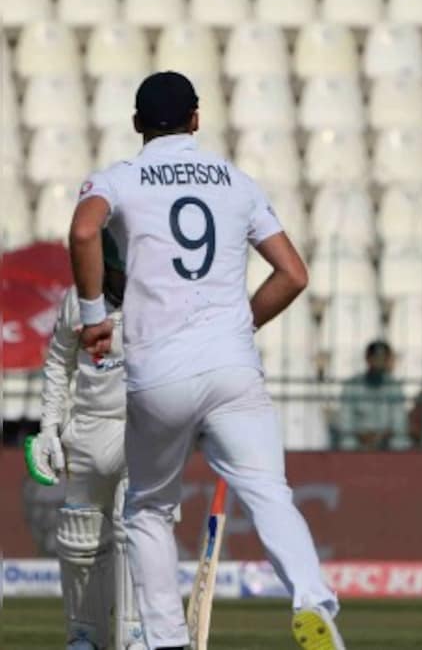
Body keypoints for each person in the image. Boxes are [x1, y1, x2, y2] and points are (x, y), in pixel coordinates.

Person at [68, 71, 344, 650]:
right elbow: (293, 274)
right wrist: (241, 323)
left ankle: (166, 639)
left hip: (159, 371)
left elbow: (84, 230)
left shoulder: (120, 178)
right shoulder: (237, 182)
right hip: (233, 365)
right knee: (270, 491)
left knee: (147, 507)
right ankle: (313, 601)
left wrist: (95, 315)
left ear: (138, 124)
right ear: (197, 118)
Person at [25, 231, 146, 650]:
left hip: (142, 424)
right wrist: (48, 428)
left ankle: (134, 634)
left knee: (138, 529)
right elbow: (59, 363)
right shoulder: (79, 299)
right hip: (89, 424)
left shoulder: (160, 300)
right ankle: (86, 637)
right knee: (79, 535)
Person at [335, 340, 408, 450]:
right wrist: (360, 435)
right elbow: (345, 419)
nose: (379, 363)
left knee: (400, 442)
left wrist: (382, 435)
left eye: (383, 359)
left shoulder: (394, 386)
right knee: (347, 443)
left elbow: (399, 421)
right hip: (359, 437)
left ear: (388, 360)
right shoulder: (352, 385)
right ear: (367, 359)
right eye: (375, 358)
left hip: (386, 438)